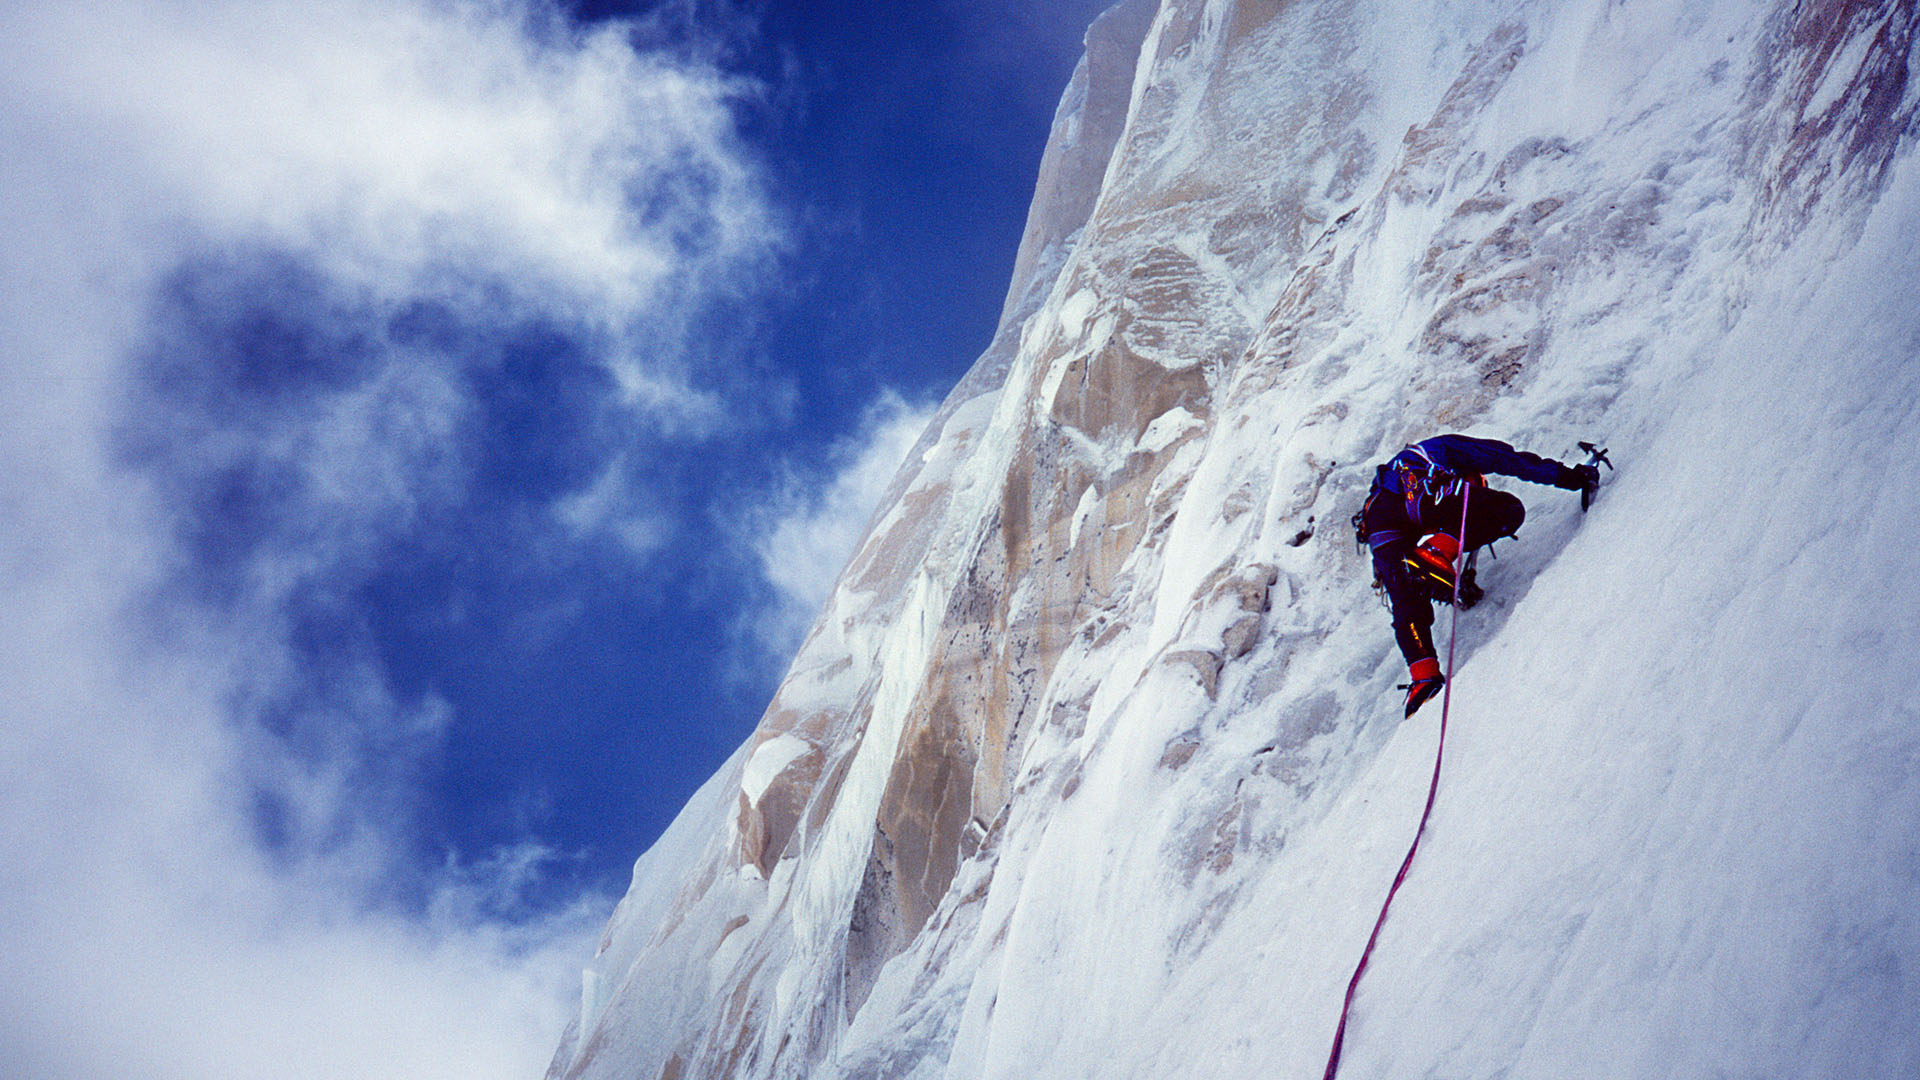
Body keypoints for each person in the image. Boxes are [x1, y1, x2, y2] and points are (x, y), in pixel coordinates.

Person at [1359, 434, 1598, 717]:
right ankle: (1436, 552)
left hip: (1377, 521)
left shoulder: (1391, 480)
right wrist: (1570, 477)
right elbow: (1508, 460)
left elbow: (1404, 599)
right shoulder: (1444, 450)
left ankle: (1423, 675)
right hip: (1423, 492)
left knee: (1406, 594)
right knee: (1507, 509)